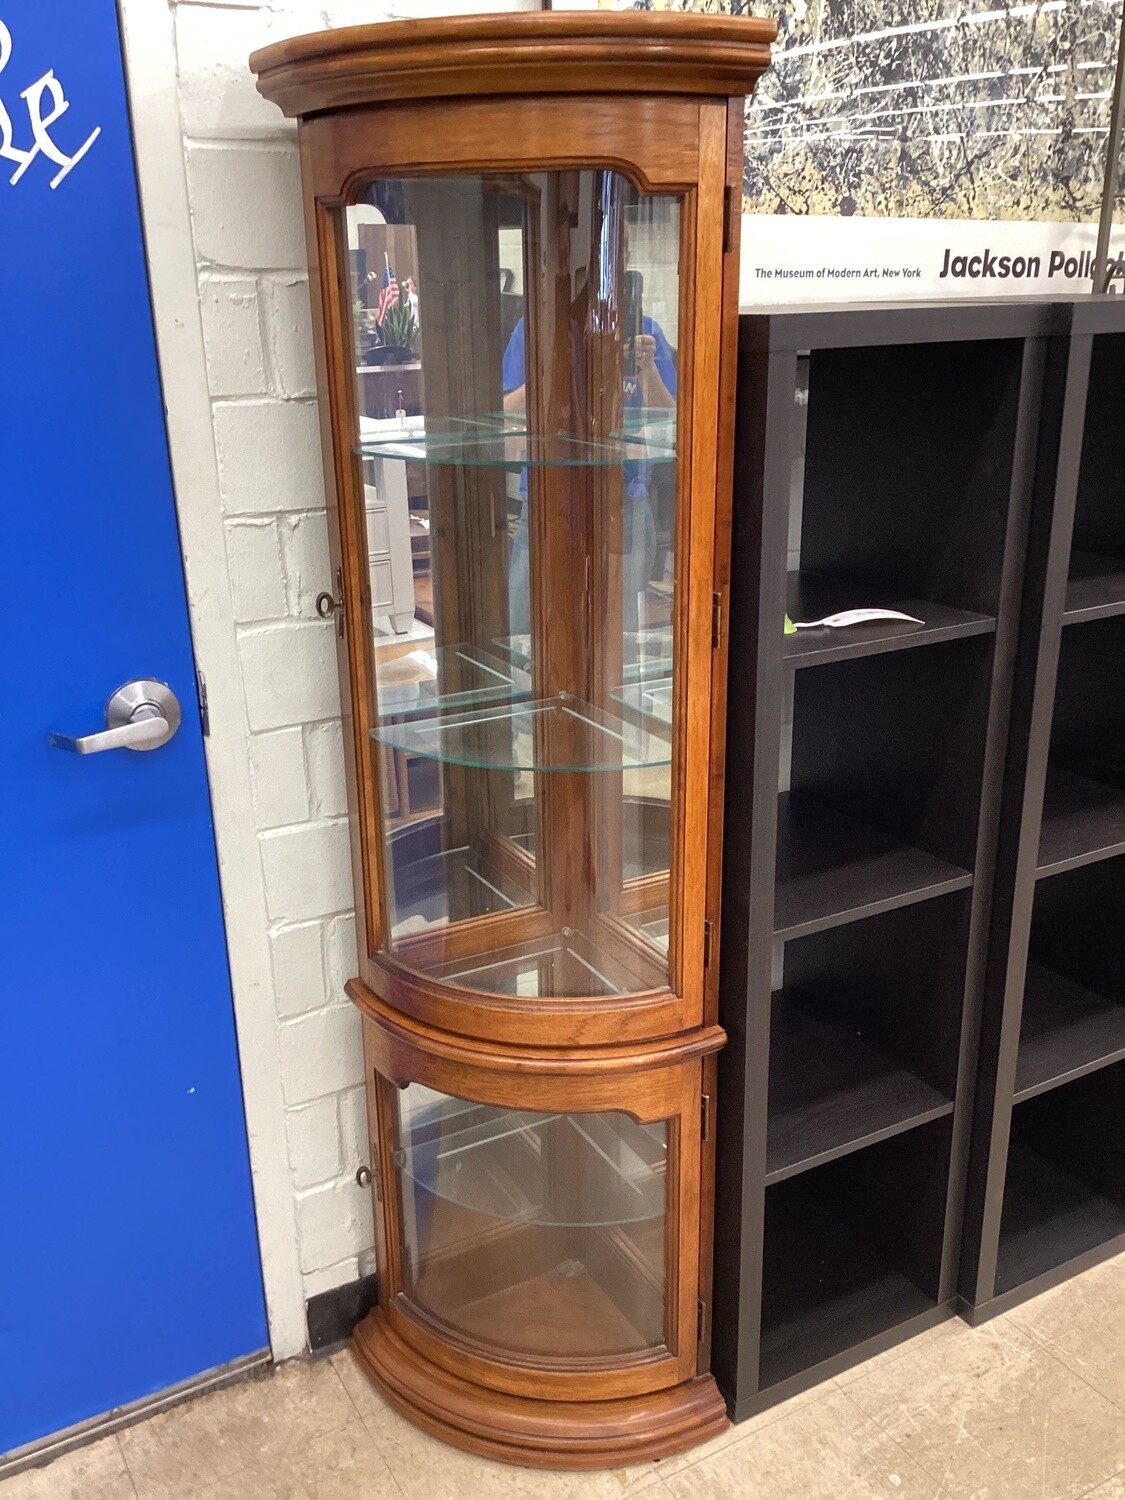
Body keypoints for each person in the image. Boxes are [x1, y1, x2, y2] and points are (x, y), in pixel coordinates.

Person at [501, 312, 677, 637]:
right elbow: (506, 411)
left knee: (618, 637)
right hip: (548, 497)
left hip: (623, 502)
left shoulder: (645, 329)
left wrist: (648, 370)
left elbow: (669, 417)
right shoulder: (534, 328)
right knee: (525, 625)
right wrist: (549, 369)